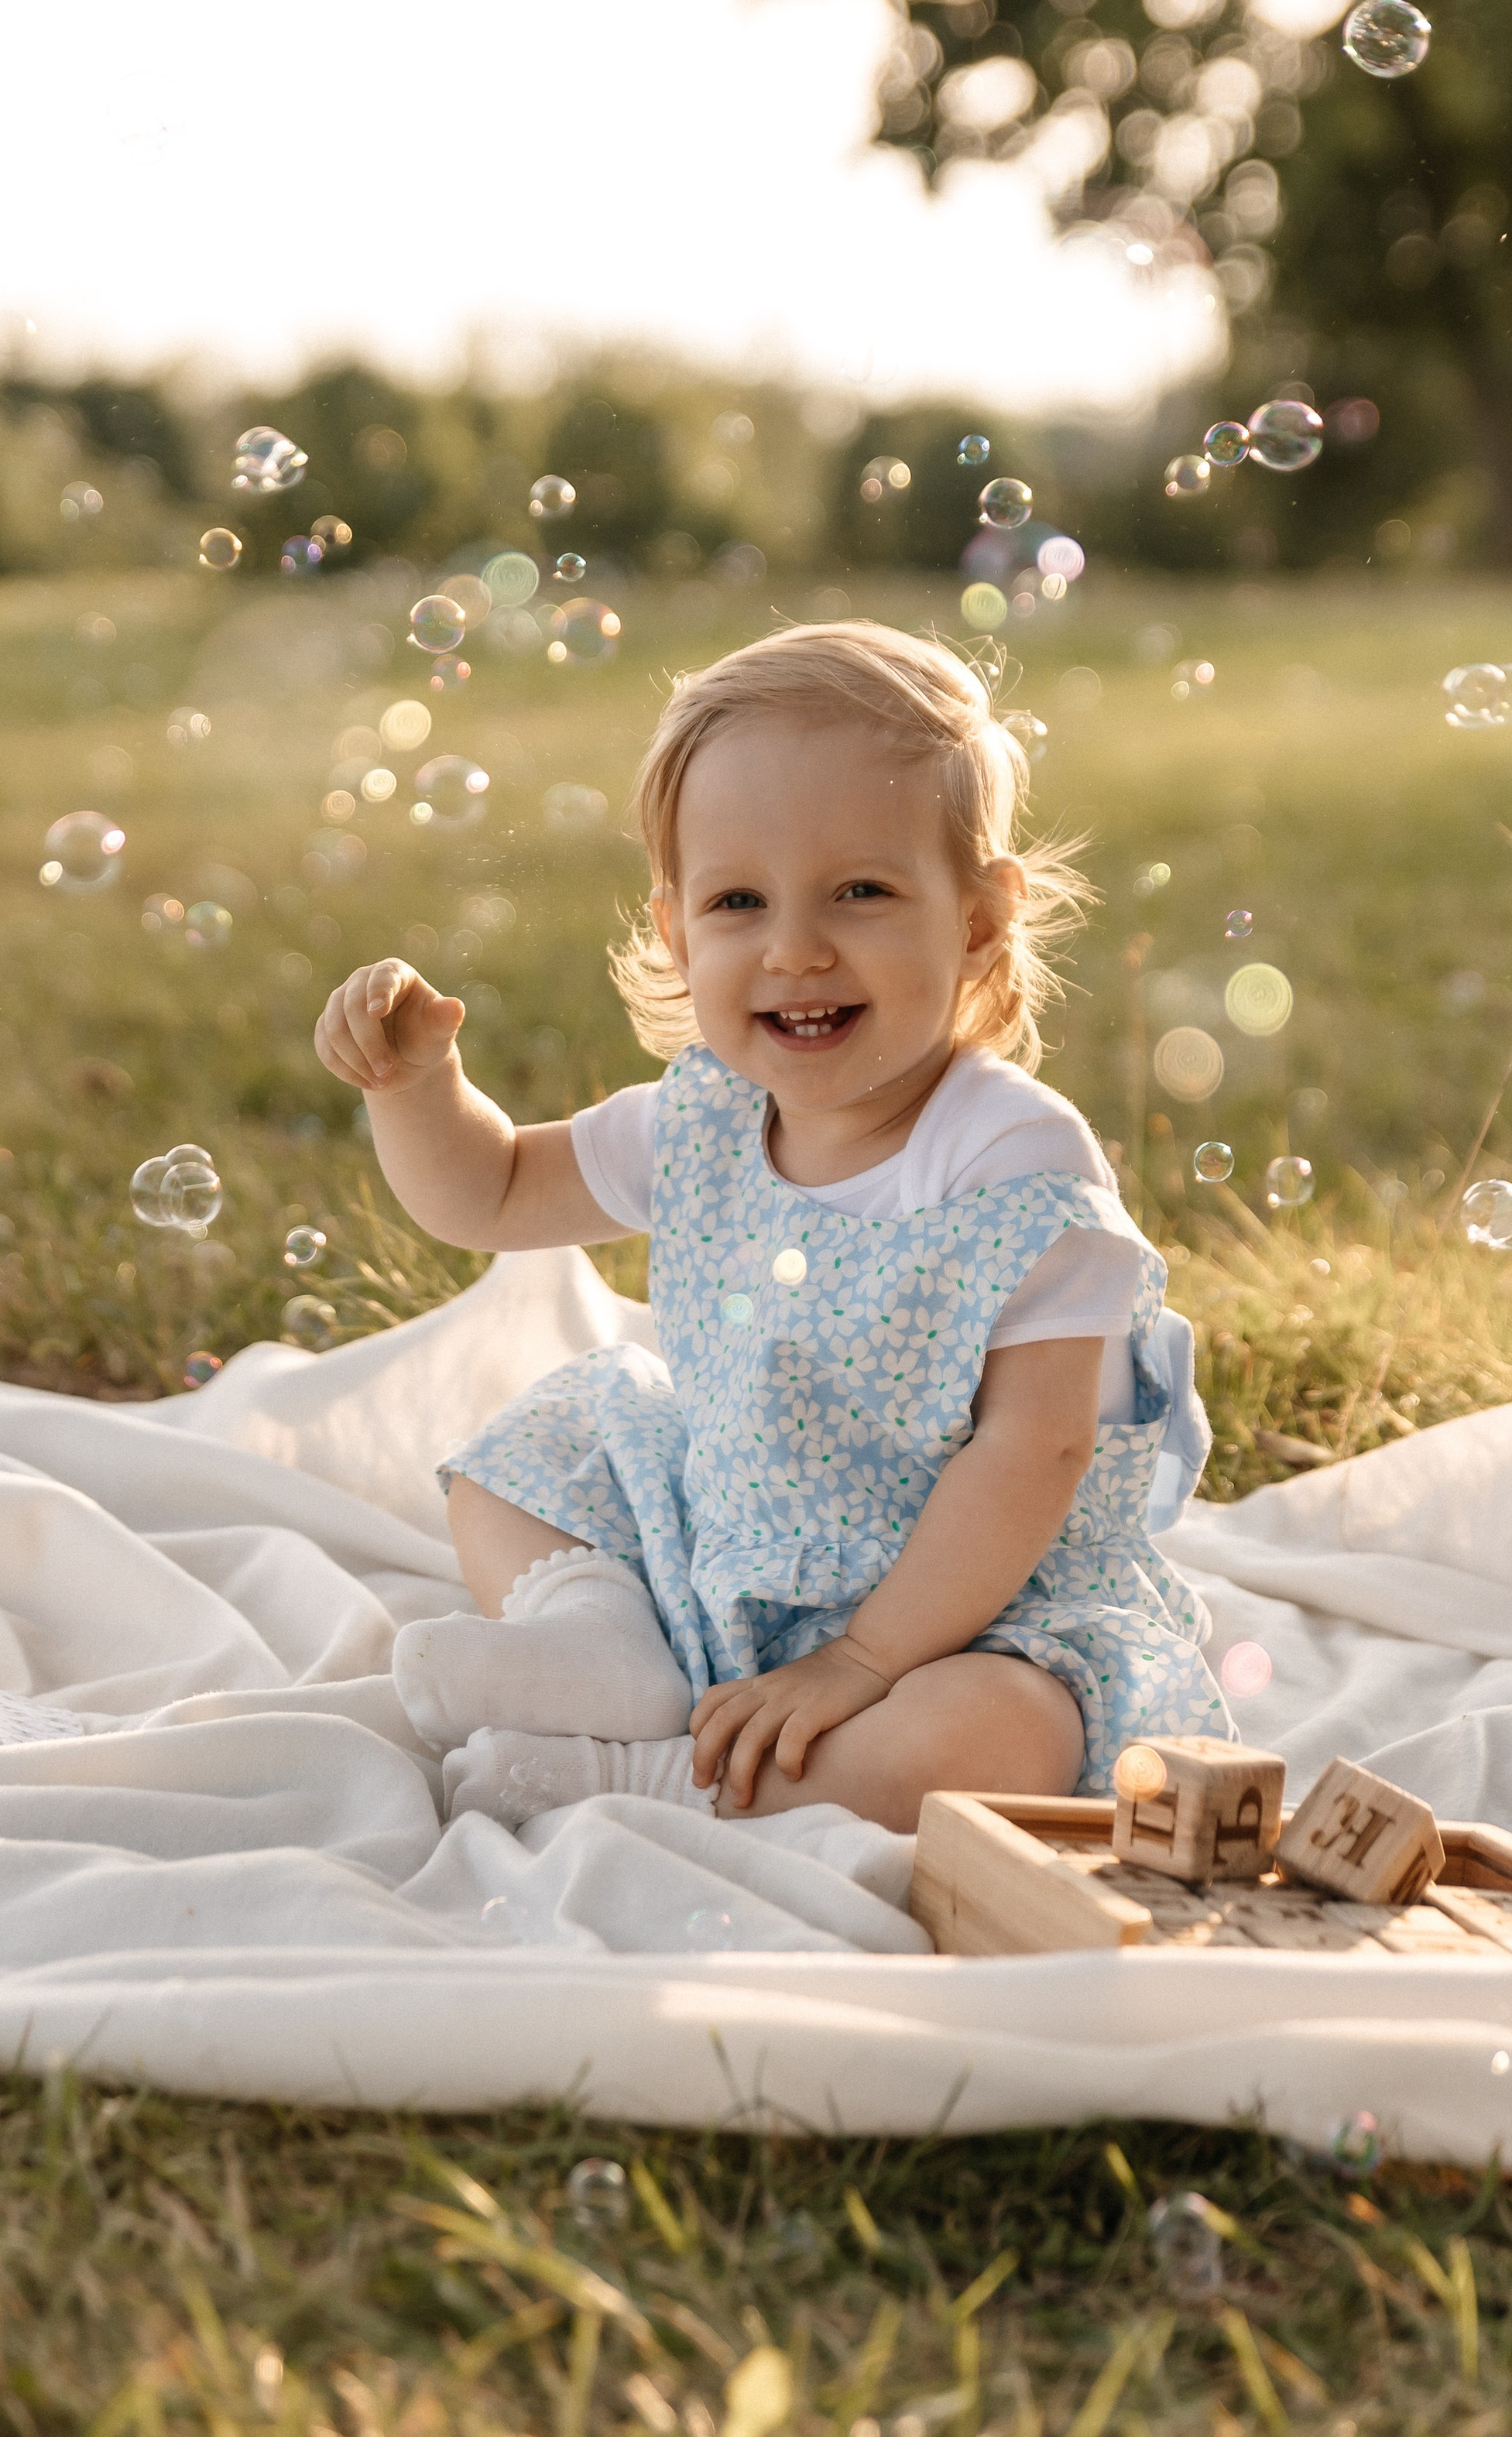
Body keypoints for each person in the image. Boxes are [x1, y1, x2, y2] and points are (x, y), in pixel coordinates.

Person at [314, 621, 1223, 1835]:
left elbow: (1033, 1456)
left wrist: (863, 1658)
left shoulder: (1015, 1162)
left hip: (958, 1605)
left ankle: (641, 1778)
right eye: (740, 899)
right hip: (727, 1556)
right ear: (680, 933)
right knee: (529, 1448)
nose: (796, 947)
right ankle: (600, 1649)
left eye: (862, 889)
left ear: (977, 919)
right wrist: (414, 1088)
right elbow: (489, 1193)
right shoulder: (704, 1117)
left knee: (999, 1736)